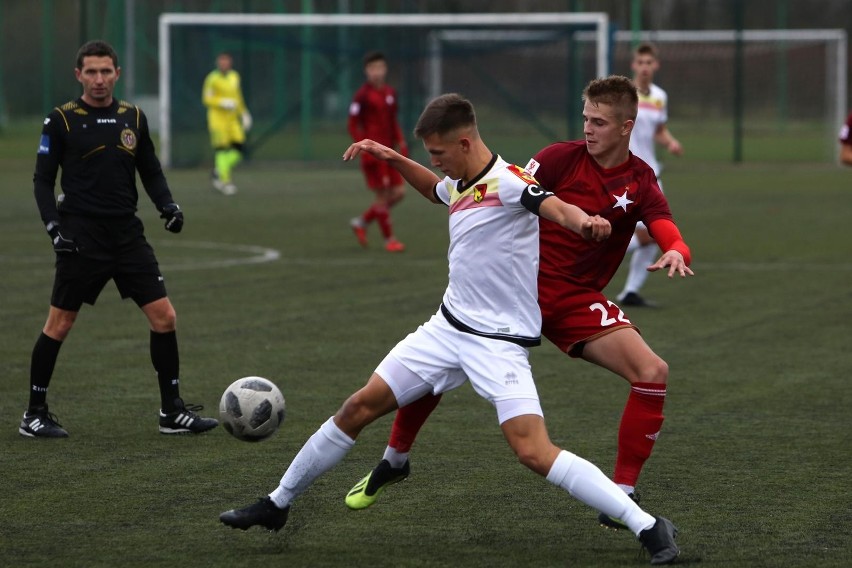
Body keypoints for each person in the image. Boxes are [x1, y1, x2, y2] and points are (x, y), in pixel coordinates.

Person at [220, 93, 679, 564]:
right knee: (357, 407)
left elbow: (556, 207)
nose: (435, 162)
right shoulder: (463, 180)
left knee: (534, 451)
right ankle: (277, 503)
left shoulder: (510, 183)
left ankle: (646, 526)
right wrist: (394, 157)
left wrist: (586, 223)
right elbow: (434, 190)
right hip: (445, 329)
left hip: (497, 343)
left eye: (438, 154)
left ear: (463, 143)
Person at [344, 77, 693, 535]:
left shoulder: (641, 180)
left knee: (652, 372)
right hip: (518, 288)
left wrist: (676, 251)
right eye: (585, 117)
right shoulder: (556, 158)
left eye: (599, 122)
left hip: (573, 300)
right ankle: (395, 458)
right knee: (445, 349)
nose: (588, 128)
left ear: (627, 127)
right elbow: (495, 191)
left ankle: (622, 492)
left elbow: (666, 227)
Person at [22, 40, 219, 438]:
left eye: (105, 71)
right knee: (60, 323)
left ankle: (171, 411)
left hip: (127, 235)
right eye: (91, 72)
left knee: (164, 317)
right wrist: (54, 228)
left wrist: (168, 205)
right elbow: (43, 181)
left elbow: (150, 170)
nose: (99, 79)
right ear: (78, 75)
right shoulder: (60, 120)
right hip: (81, 235)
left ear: (117, 74)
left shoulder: (134, 117)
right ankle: (34, 413)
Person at [616, 42, 683, 307]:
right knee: (642, 232)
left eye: (649, 63)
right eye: (640, 62)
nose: (644, 67)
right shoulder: (623, 96)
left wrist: (671, 142)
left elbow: (659, 130)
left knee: (654, 234)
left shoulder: (659, 96)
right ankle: (592, 250)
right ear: (634, 65)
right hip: (625, 173)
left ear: (656, 65)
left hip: (651, 174)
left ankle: (630, 291)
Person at [347, 51, 408, 252]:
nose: (376, 72)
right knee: (382, 197)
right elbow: (353, 124)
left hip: (389, 151)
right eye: (372, 68)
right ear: (366, 71)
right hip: (373, 154)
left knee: (399, 193)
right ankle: (389, 239)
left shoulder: (390, 93)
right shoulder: (362, 96)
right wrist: (361, 146)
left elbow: (393, 121)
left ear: (385, 69)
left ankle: (362, 222)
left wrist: (401, 141)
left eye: (379, 68)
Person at [202, 51, 251, 195]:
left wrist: (244, 113)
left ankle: (219, 170)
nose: (224, 64)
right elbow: (206, 99)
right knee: (222, 149)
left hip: (233, 120)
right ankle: (225, 181)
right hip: (218, 121)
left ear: (230, 62)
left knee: (240, 149)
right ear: (218, 63)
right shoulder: (212, 79)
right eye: (221, 61)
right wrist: (221, 102)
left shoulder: (235, 76)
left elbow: (238, 97)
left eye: (227, 61)